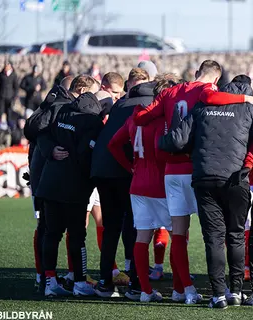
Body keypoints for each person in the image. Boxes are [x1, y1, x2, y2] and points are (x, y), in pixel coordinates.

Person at [159, 75, 253, 309]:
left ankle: (218, 295)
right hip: (235, 180)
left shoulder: (203, 106)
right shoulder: (248, 109)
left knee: (213, 238)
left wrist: (166, 138)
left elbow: (175, 142)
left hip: (204, 179)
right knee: (236, 235)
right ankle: (236, 291)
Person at [133, 60, 253, 305]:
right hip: (195, 169)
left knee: (178, 233)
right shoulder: (207, 91)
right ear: (216, 79)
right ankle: (223, 289)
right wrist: (246, 100)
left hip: (170, 171)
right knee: (214, 233)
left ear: (196, 72)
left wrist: (134, 108)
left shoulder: (169, 92)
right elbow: (214, 102)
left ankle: (183, 290)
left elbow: (142, 118)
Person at [107, 77, 179, 303]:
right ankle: (179, 288)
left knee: (142, 236)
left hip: (137, 183)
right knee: (178, 235)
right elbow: (161, 152)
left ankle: (145, 291)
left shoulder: (133, 118)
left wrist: (130, 166)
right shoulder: (161, 120)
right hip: (160, 184)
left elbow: (113, 144)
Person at [35, 75, 102, 297]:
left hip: (50, 183)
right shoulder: (92, 122)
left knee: (52, 234)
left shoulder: (60, 112)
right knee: (77, 236)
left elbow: (40, 134)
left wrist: (51, 150)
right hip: (74, 188)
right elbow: (86, 155)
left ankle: (50, 281)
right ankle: (80, 282)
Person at [89, 68, 154, 299]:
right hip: (122, 169)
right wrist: (132, 167)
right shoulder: (151, 102)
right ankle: (136, 283)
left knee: (112, 228)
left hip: (102, 169)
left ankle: (106, 282)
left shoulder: (121, 103)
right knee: (136, 227)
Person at [24, 75, 75, 291]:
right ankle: (47, 277)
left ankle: (43, 275)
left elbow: (33, 138)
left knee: (46, 228)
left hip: (40, 176)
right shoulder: (59, 109)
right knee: (49, 229)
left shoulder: (46, 108)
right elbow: (42, 139)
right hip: (47, 178)